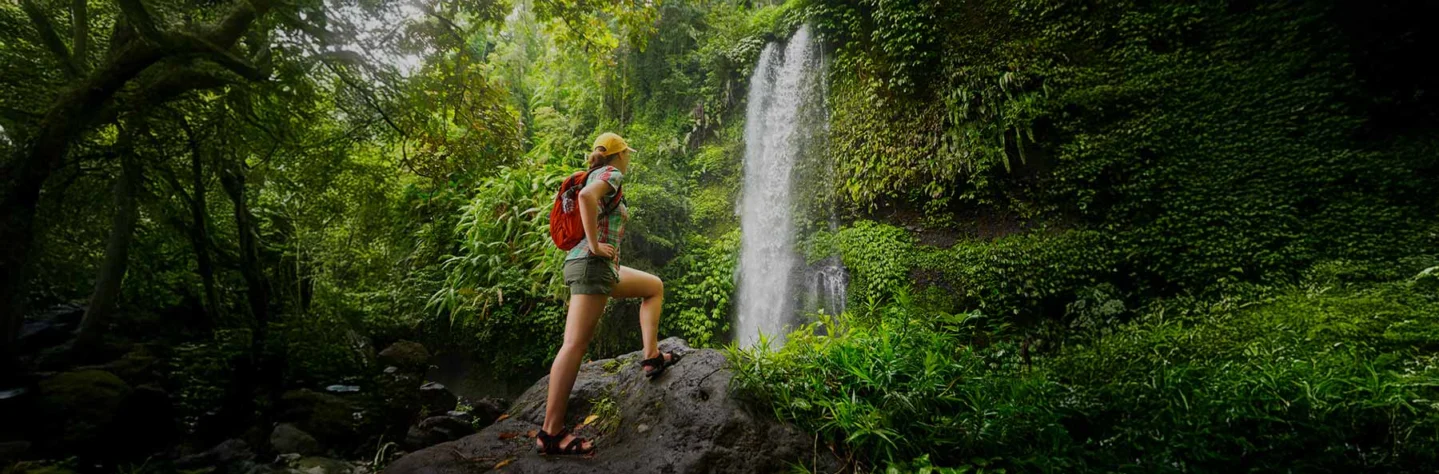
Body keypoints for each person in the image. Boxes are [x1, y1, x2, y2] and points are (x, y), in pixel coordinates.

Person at [534, 132, 680, 456]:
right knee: (573, 346)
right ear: (618, 155)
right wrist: (598, 246)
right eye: (627, 153)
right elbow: (586, 198)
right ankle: (551, 433)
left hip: (595, 266)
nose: (629, 158)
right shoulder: (610, 174)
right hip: (591, 265)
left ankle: (651, 356)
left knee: (653, 287)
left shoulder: (594, 174)